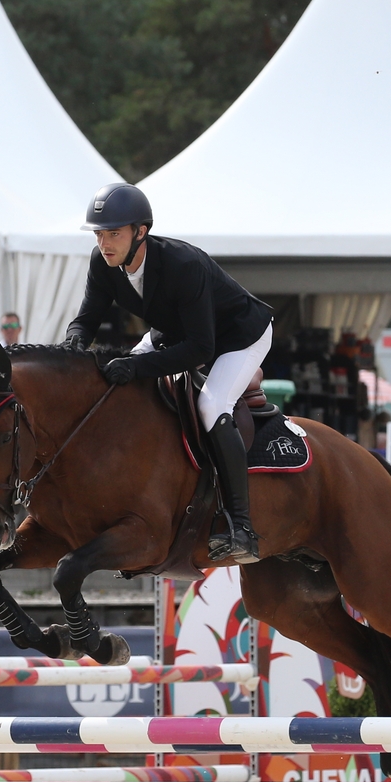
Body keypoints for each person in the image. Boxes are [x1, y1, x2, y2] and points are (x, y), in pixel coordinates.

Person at [64, 182, 272, 564]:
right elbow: (87, 317)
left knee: (211, 406)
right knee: (114, 387)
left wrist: (136, 365)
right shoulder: (103, 262)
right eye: (99, 234)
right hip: (176, 331)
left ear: (140, 232)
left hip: (239, 335)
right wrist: (73, 347)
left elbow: (200, 349)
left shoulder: (183, 265)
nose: (104, 243)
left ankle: (241, 527)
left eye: (114, 233)